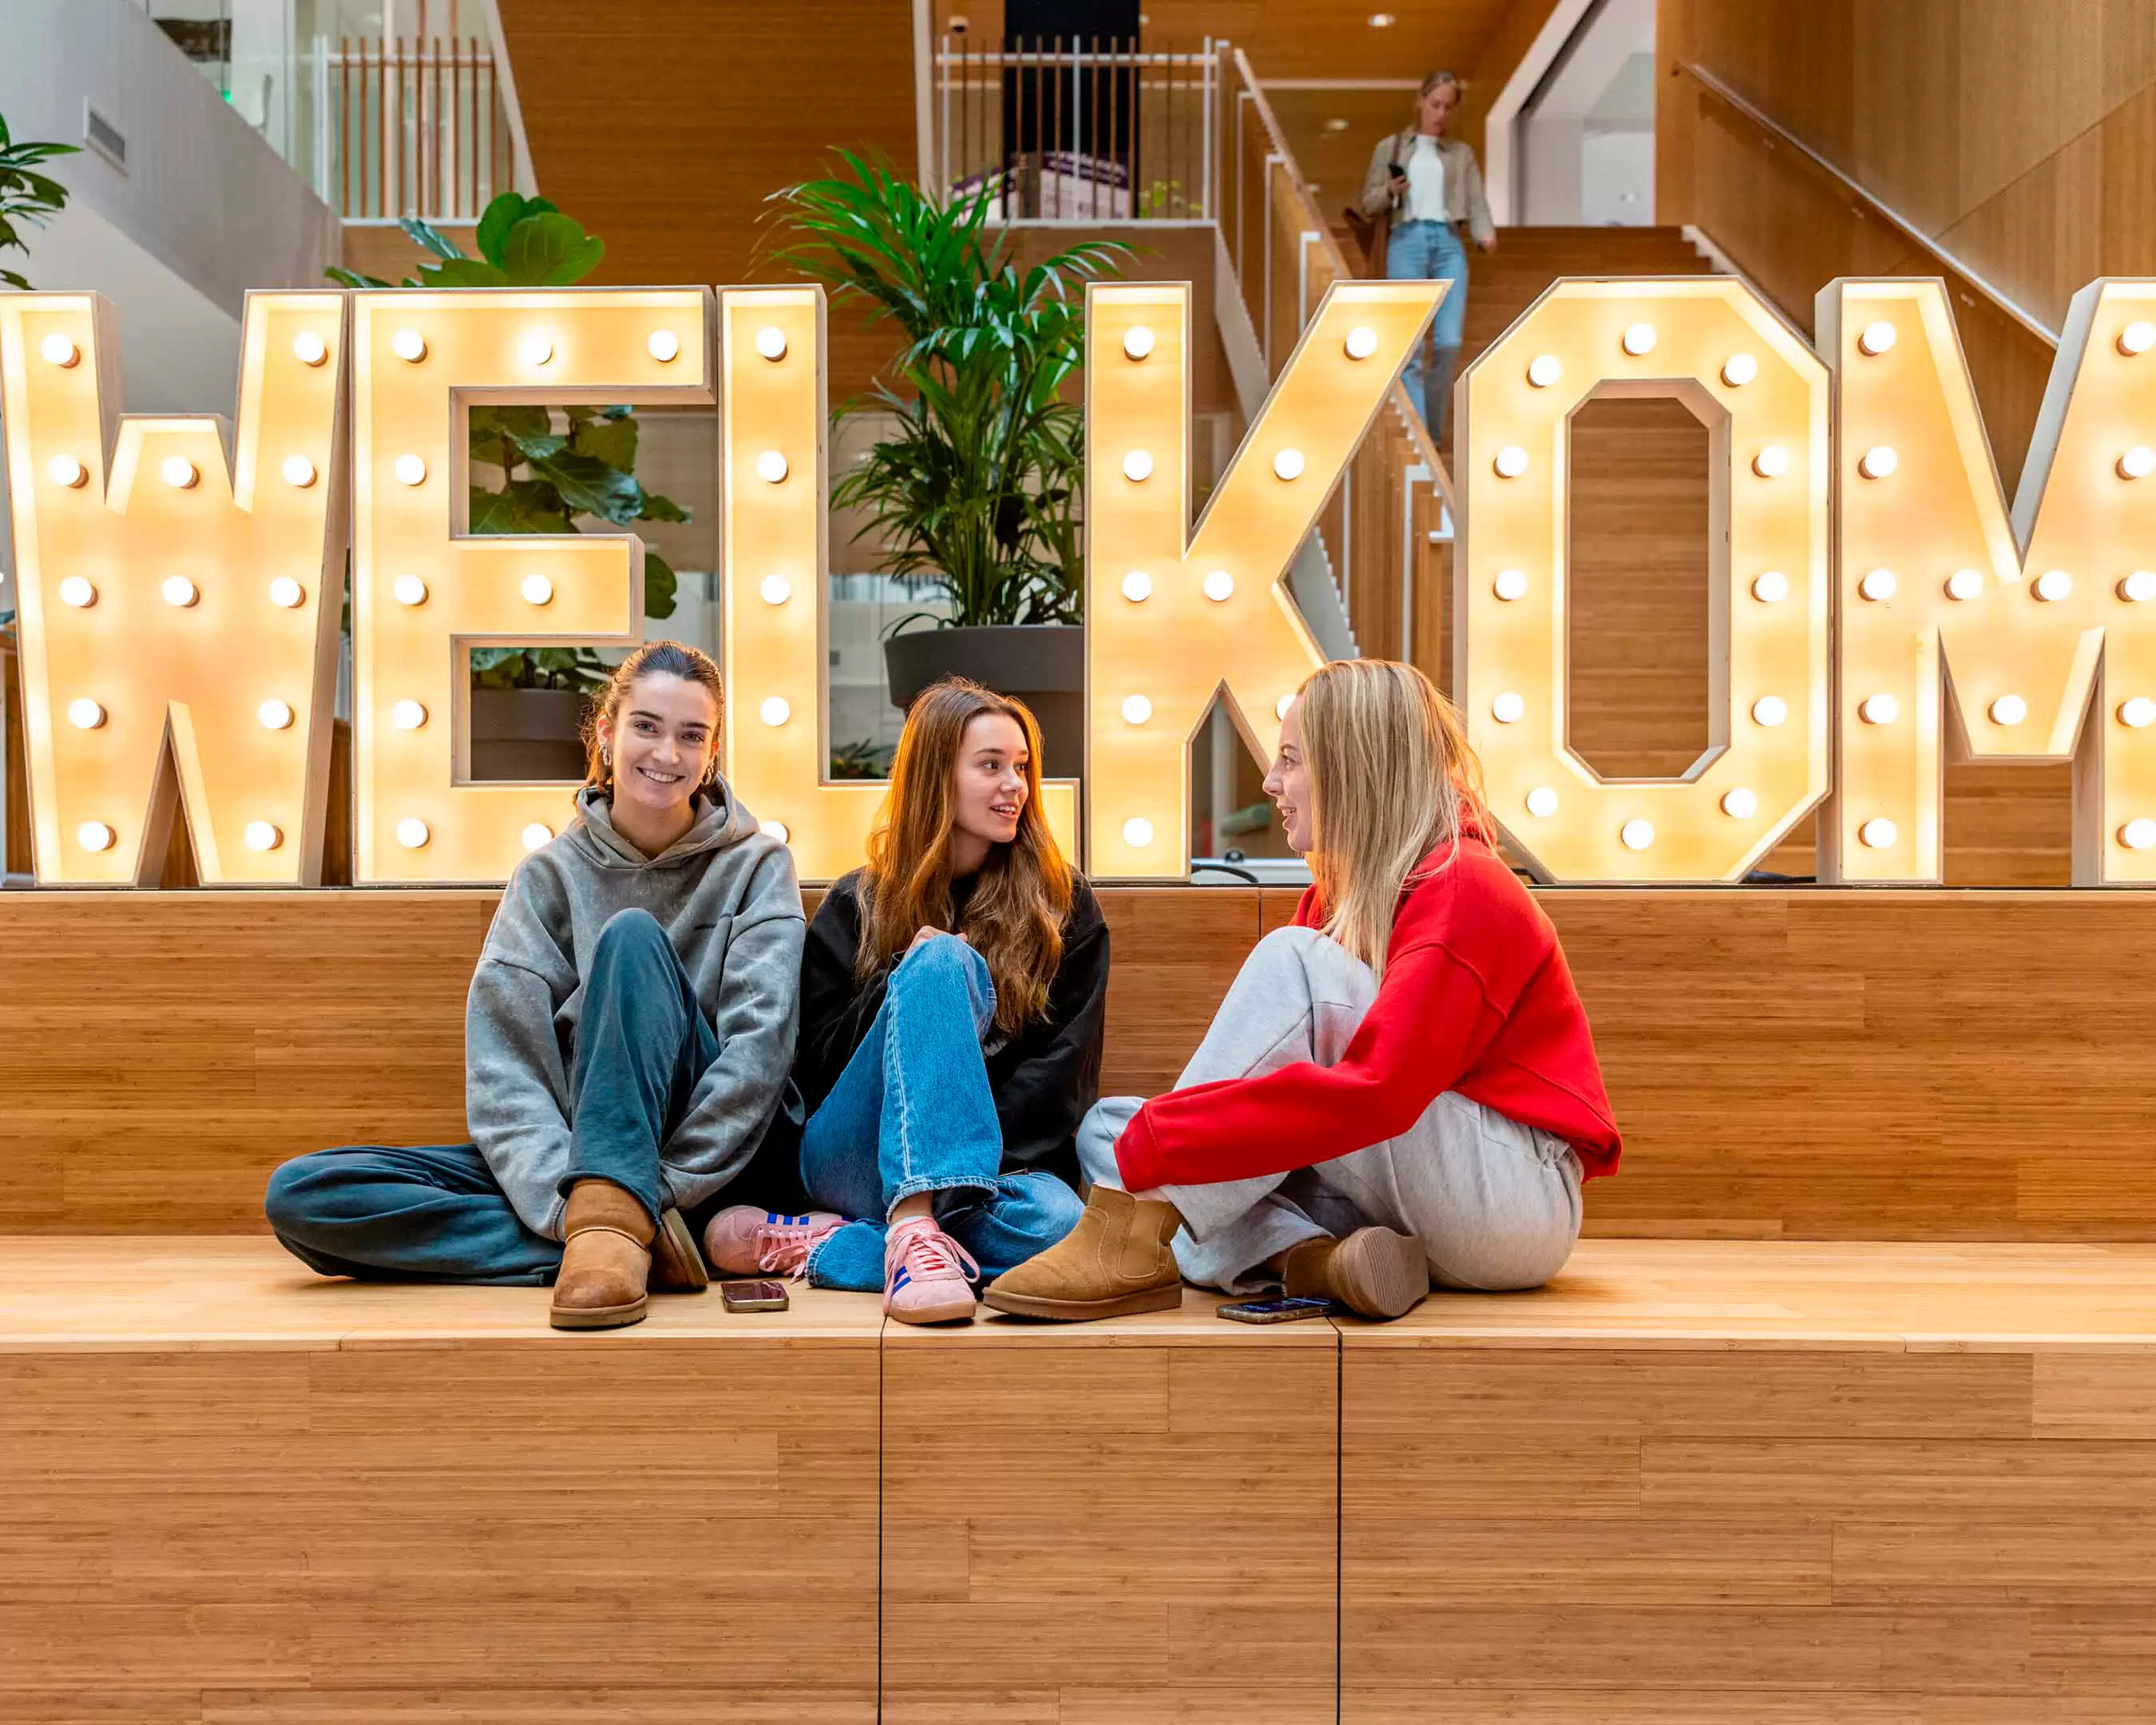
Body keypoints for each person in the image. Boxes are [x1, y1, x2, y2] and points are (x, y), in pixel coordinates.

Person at [984, 658, 1619, 1322]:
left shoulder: (1465, 887)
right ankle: (1315, 1263)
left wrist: (1165, 1149)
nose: (1271, 782)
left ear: (1354, 768)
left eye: (1291, 759)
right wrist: (1154, 1143)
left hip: (1514, 1201)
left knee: (1161, 1150)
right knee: (1110, 1130)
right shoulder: (1338, 901)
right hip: (1410, 1192)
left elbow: (1382, 1092)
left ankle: (1130, 1241)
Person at [264, 640, 806, 1330]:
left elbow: (759, 1052)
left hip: (708, 1167)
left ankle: (622, 1226)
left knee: (633, 938)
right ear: (607, 734)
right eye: (646, 726)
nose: (666, 753)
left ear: (712, 752)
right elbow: (506, 1066)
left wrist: (652, 1185)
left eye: (690, 735)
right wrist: (571, 1207)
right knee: (309, 1196)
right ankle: (622, 1241)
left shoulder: (758, 866)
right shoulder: (548, 874)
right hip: (576, 1160)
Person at [706, 677, 1106, 1324]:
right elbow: (815, 1069)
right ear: (935, 777)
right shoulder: (854, 902)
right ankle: (913, 1223)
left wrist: (958, 1163)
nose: (1016, 786)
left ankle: (841, 1244)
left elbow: (1063, 1078)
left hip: (993, 1173)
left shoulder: (1066, 909)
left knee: (1059, 1223)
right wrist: (906, 978)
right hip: (855, 1156)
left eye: (1022, 767)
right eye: (991, 766)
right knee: (940, 960)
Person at [1357, 69, 1496, 441]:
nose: (1440, 114)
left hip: (1449, 242)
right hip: (1406, 241)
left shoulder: (1461, 154)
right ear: (1420, 101)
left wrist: (1485, 231)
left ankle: (1433, 425)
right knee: (1412, 344)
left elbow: (1476, 201)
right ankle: (1421, 435)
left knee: (1449, 342)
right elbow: (1368, 202)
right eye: (1435, 104)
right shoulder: (1392, 148)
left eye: (1448, 108)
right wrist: (1389, 189)